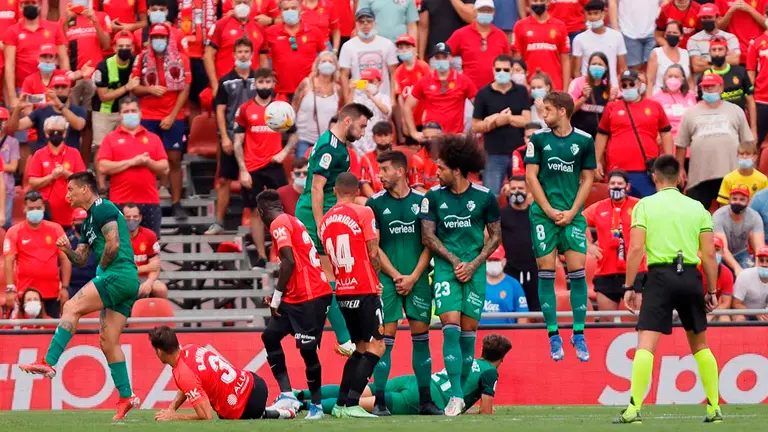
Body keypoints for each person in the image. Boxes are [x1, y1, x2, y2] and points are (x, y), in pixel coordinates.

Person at [18, 171, 141, 421]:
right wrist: (67, 250)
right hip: (126, 280)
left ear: (85, 189)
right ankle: (127, 396)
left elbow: (114, 244)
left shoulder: (103, 207)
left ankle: (49, 361)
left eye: (70, 189)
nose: (67, 195)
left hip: (118, 275)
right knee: (108, 342)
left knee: (71, 307)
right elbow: (81, 259)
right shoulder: (87, 223)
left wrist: (103, 269)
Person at [615, 155, 722, 424]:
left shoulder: (644, 205)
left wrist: (629, 286)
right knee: (700, 345)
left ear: (654, 176)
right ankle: (714, 408)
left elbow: (636, 248)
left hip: (660, 277)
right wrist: (711, 290)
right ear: (680, 178)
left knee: (646, 345)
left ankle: (633, 409)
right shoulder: (698, 207)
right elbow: (709, 254)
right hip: (690, 276)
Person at [419, 134, 501, 416]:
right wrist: (456, 262)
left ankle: (460, 392)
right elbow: (428, 236)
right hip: (446, 269)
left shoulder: (485, 197)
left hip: (475, 271)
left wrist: (473, 264)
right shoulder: (433, 197)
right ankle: (455, 395)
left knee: (468, 335)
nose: (436, 172)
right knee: (450, 326)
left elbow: (496, 236)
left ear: (456, 170)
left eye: (441, 168)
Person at [366, 150, 442, 416]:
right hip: (387, 281)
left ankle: (425, 402)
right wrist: (398, 275)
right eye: (379, 169)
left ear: (400, 171)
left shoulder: (424, 201)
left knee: (421, 338)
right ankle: (379, 401)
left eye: (385, 169)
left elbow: (430, 243)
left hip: (417, 280)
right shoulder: (374, 203)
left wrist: (413, 276)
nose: (380, 175)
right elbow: (374, 247)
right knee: (384, 340)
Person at [294, 103, 374, 357]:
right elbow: (317, 187)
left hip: (330, 213)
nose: (363, 132)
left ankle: (346, 334)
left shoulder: (339, 147)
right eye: (362, 126)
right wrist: (320, 224)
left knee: (333, 274)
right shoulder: (330, 148)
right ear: (347, 121)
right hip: (315, 215)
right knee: (327, 274)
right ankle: (345, 338)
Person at [525, 91, 595, 362]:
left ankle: (578, 333)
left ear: (562, 111)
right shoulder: (538, 139)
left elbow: (587, 179)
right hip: (544, 215)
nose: (543, 115)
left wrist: (573, 211)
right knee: (547, 270)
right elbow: (531, 177)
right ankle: (553, 335)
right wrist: (549, 210)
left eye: (547, 110)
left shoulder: (584, 141)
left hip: (572, 214)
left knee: (577, 271)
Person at [293, 333, 513, 416]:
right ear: (502, 358)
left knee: (360, 390)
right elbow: (486, 410)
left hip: (417, 381)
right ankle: (303, 406)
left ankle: (299, 394)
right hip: (426, 398)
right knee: (358, 403)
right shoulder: (490, 372)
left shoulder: (467, 360)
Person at [255, 189, 332, 420]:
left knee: (307, 351)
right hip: (297, 296)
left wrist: (277, 297)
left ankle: (316, 406)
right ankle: (288, 395)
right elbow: (294, 263)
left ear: (261, 212)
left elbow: (288, 261)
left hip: (311, 297)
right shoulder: (291, 220)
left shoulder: (278, 224)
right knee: (270, 336)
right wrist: (280, 294)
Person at [319, 172, 385, 419]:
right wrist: (376, 280)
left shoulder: (324, 221)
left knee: (359, 348)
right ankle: (352, 404)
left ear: (334, 191)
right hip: (364, 288)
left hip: (342, 291)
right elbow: (373, 252)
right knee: (377, 346)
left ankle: (341, 404)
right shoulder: (363, 212)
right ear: (357, 191)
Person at [148, 325, 297, 420]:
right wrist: (172, 408)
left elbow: (206, 417)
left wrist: (175, 416)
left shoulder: (184, 373)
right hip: (256, 384)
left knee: (224, 414)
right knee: (230, 404)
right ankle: (285, 411)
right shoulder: (190, 348)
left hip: (246, 407)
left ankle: (272, 412)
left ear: (159, 351)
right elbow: (188, 385)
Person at [233, 68, 294, 266]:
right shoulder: (245, 109)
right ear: (255, 84)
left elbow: (294, 135)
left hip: (274, 165)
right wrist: (243, 170)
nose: (264, 86)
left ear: (273, 83)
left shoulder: (281, 108)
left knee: (283, 210)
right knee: (255, 212)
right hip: (252, 167)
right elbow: (237, 142)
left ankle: (281, 253)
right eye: (261, 82)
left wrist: (284, 153)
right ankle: (261, 256)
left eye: (268, 82)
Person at [132, 23, 191, 220]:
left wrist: (172, 116)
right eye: (155, 37)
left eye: (162, 37)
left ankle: (176, 203)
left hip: (173, 116)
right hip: (148, 116)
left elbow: (185, 88)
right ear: (150, 39)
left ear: (168, 38)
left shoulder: (182, 59)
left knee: (174, 159)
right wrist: (149, 89)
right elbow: (134, 87)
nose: (159, 40)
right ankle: (144, 203)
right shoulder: (141, 58)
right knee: (146, 160)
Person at [204, 37, 258, 235]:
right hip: (231, 137)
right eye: (240, 52)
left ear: (252, 54)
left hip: (253, 140)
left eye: (246, 52)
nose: (243, 55)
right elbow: (220, 111)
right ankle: (218, 222)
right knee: (225, 180)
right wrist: (225, 137)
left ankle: (255, 221)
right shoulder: (225, 81)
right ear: (234, 55)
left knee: (254, 180)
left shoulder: (259, 80)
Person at [676, 73, 754, 210]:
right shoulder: (690, 113)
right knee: (697, 213)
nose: (709, 89)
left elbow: (747, 143)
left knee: (732, 213)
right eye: (705, 87)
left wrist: (749, 167)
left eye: (712, 86)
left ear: (721, 87)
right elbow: (681, 145)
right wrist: (680, 168)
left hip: (731, 174)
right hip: (700, 176)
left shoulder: (736, 111)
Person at [97, 96, 169, 238]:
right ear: (120, 115)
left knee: (150, 244)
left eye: (133, 111)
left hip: (149, 201)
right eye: (126, 111)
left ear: (140, 113)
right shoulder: (110, 138)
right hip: (119, 202)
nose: (130, 114)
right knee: (119, 245)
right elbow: (103, 167)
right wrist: (132, 162)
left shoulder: (153, 138)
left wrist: (148, 162)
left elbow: (165, 167)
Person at [595, 69, 673, 198]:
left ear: (640, 85)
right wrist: (597, 161)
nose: (628, 88)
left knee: (647, 206)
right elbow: (602, 134)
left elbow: (666, 133)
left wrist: (669, 161)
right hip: (617, 170)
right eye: (624, 85)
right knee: (618, 206)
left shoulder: (655, 106)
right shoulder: (612, 107)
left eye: (631, 84)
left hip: (646, 170)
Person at [583, 170, 646, 315]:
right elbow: (575, 224)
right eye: (612, 183)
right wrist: (587, 245)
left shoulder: (639, 206)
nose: (616, 186)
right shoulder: (598, 208)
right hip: (606, 272)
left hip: (636, 271)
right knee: (606, 323)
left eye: (619, 183)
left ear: (627, 186)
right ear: (608, 186)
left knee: (637, 321)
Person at [471, 54, 531, 196]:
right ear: (493, 70)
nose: (501, 72)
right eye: (498, 69)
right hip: (493, 154)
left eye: (505, 69)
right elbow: (475, 126)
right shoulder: (483, 94)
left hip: (518, 153)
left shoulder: (521, 91)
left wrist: (507, 119)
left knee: (521, 195)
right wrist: (497, 122)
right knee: (492, 196)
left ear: (511, 71)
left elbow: (527, 120)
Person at [4, 190, 69, 318]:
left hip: (52, 292)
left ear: (44, 207)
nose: (35, 211)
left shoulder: (56, 229)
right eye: (31, 208)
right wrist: (10, 289)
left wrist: (65, 287)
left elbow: (65, 259)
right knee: (23, 329)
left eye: (38, 208)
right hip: (25, 295)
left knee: (51, 328)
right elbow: (8, 261)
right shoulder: (14, 232)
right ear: (24, 208)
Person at [93, 31, 140, 191]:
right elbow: (103, 96)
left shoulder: (136, 62)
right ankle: (101, 186)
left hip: (127, 112)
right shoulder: (103, 66)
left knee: (126, 146)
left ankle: (124, 182)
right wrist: (126, 87)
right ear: (114, 47)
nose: (124, 49)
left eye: (128, 46)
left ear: (132, 47)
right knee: (101, 148)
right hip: (104, 111)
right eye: (121, 46)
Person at [3, 0, 69, 111]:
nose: (30, 6)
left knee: (52, 120)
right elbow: (9, 65)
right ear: (20, 7)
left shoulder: (54, 28)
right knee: (27, 120)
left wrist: (65, 86)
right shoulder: (12, 31)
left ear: (39, 5)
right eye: (26, 3)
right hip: (24, 91)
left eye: (33, 3)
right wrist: (12, 97)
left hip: (52, 90)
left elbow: (63, 59)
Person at [26, 115, 86, 230]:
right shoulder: (39, 154)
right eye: (51, 131)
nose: (55, 133)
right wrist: (51, 177)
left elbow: (83, 180)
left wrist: (66, 173)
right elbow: (32, 182)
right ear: (46, 133)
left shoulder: (74, 153)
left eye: (59, 131)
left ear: (65, 133)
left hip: (70, 214)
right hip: (46, 214)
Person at [404, 43, 477, 137]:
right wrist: (413, 132)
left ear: (450, 58)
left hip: (454, 136)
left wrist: (472, 132)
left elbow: (478, 105)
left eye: (444, 57)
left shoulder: (463, 80)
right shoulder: (424, 81)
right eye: (437, 57)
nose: (441, 60)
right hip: (432, 136)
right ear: (434, 59)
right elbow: (407, 107)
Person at [7, 75, 87, 153]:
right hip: (44, 158)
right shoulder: (41, 112)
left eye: (63, 87)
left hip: (69, 157)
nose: (60, 90)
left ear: (70, 92)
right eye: (56, 87)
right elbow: (15, 127)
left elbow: (79, 126)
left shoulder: (78, 110)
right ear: (51, 90)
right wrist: (18, 108)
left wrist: (59, 105)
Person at [264, 0, 326, 99]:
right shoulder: (270, 32)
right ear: (280, 11)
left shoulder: (314, 31)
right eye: (286, 9)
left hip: (308, 90)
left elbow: (324, 56)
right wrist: (268, 74)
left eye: (293, 8)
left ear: (300, 9)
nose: (290, 11)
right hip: (281, 92)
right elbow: (263, 56)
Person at [446, 0, 511, 90]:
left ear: (494, 12)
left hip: (496, 91)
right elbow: (444, 55)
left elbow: (508, 62)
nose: (485, 13)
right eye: (482, 10)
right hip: (469, 91)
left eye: (489, 10)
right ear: (475, 12)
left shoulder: (501, 36)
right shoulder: (461, 34)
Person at [338, 8, 398, 105]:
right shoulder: (347, 46)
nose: (365, 24)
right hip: (358, 99)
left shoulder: (387, 44)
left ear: (374, 23)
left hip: (382, 97)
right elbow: (344, 75)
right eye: (361, 22)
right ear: (356, 24)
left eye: (369, 21)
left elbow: (394, 72)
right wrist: (347, 100)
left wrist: (392, 98)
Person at [203, 0, 268, 89]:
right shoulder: (220, 25)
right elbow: (208, 56)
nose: (242, 5)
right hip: (225, 86)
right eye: (239, 2)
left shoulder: (259, 28)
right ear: (233, 3)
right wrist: (215, 86)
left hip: (251, 87)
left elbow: (263, 61)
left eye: (246, 3)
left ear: (252, 3)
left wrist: (264, 85)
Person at [697, 37, 755, 135]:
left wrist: (753, 130)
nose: (717, 53)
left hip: (739, 124)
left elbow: (750, 101)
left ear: (726, 51)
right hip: (715, 127)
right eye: (714, 50)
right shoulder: (704, 76)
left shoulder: (740, 71)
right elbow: (700, 105)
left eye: (720, 49)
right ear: (709, 52)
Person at [292, 51, 343, 159]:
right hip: (303, 139)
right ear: (317, 64)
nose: (327, 64)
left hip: (326, 142)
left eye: (331, 62)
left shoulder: (337, 89)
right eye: (324, 61)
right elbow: (294, 107)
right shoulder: (306, 84)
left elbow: (339, 115)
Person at [499, 175, 540, 311]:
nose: (517, 191)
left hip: (534, 271)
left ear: (528, 190)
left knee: (537, 311)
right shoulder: (501, 214)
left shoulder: (536, 214)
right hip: (510, 271)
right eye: (513, 188)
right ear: (508, 191)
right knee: (510, 309)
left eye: (521, 188)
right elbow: (489, 239)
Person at [512, 0, 570, 91]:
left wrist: (565, 89)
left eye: (542, 0)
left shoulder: (560, 26)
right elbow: (517, 60)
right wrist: (524, 84)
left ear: (548, 2)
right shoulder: (520, 26)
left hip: (555, 86)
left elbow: (565, 60)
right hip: (530, 86)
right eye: (535, 1)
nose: (538, 3)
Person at [572, 0, 627, 87]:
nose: (592, 17)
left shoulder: (617, 36)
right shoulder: (579, 39)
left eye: (596, 13)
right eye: (589, 14)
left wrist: (621, 88)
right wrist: (582, 88)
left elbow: (623, 68)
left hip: (611, 87)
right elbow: (576, 71)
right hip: (588, 88)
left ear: (603, 14)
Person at [713, 184, 764, 275]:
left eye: (742, 199)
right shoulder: (718, 216)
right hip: (721, 254)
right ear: (729, 200)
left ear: (748, 201)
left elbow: (760, 247)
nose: (738, 202)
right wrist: (737, 268)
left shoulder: (755, 217)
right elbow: (722, 248)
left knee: (750, 274)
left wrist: (757, 269)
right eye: (734, 199)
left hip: (741, 253)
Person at [568, 52, 618, 138]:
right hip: (577, 135)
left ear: (606, 68)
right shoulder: (578, 83)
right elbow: (568, 111)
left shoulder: (608, 87)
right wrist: (583, 98)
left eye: (600, 64)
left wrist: (611, 101)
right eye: (594, 64)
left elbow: (610, 117)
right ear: (588, 66)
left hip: (598, 137)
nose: (596, 66)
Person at [124, 203, 168, 299]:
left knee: (160, 289)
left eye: (135, 216)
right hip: (123, 279)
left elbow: (155, 266)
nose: (131, 219)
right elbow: (123, 270)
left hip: (145, 279)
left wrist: (149, 282)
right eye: (128, 217)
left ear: (140, 218)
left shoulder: (149, 235)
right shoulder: (117, 237)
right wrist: (147, 267)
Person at [392, 34, 430, 145]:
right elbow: (400, 98)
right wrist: (404, 121)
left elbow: (430, 93)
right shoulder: (398, 72)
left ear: (414, 49)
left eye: (407, 47)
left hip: (425, 118)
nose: (404, 50)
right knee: (412, 149)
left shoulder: (423, 67)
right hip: (410, 119)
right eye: (401, 48)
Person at [480, 246, 529, 326]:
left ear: (504, 261)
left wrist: (520, 333)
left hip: (506, 333)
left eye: (496, 260)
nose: (493, 263)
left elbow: (523, 315)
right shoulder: (477, 283)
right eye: (490, 260)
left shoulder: (514, 284)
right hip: (480, 332)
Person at [688, 4, 741, 77]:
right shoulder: (694, 39)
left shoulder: (730, 38)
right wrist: (721, 61)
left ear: (718, 18)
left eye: (710, 17)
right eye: (704, 17)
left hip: (727, 80)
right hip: (704, 80)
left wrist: (706, 61)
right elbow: (696, 67)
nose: (707, 20)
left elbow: (735, 60)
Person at [651, 64, 697, 143]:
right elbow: (653, 121)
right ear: (665, 78)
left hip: (689, 138)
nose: (673, 79)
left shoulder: (690, 95)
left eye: (676, 77)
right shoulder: (656, 98)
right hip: (667, 140)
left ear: (682, 79)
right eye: (670, 76)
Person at [608, 0, 658, 71]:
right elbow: (613, 2)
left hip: (654, 31)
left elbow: (666, 2)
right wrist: (615, 29)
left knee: (654, 69)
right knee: (634, 71)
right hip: (628, 30)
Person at [351, 68, 391, 155]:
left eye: (371, 81)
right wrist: (351, 91)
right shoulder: (358, 99)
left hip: (379, 141)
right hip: (361, 144)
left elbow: (386, 111)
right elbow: (348, 112)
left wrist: (371, 96)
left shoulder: (384, 97)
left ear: (379, 82)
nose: (368, 84)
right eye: (365, 82)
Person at [646, 20, 693, 97]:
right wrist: (649, 101)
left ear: (681, 36)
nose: (672, 35)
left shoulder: (685, 53)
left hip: (681, 98)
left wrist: (692, 97)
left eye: (675, 33)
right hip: (659, 97)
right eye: (669, 33)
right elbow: (650, 81)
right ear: (665, 35)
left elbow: (689, 80)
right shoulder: (656, 53)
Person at [717, 142, 768, 206]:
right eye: (741, 154)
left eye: (748, 154)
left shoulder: (763, 179)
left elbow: (765, 203)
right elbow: (723, 204)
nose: (744, 157)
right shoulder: (728, 178)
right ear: (737, 156)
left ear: (755, 157)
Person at [717, 0, 767, 65]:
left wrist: (750, 9)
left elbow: (766, 25)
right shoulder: (721, 1)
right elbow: (719, 29)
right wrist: (730, 11)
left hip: (758, 52)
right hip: (734, 54)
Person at [701, 236, 734, 322]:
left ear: (722, 252)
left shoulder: (727, 273)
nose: (713, 253)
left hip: (713, 309)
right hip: (693, 308)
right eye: (711, 249)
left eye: (717, 250)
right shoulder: (695, 268)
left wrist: (712, 313)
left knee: (725, 318)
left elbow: (726, 303)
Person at [731, 246, 768, 321]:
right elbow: (735, 303)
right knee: (739, 318)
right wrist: (756, 313)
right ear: (757, 261)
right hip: (744, 313)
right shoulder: (745, 275)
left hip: (764, 314)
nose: (764, 264)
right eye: (761, 260)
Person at [67, 208, 97, 298]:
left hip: (93, 284)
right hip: (71, 286)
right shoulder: (66, 240)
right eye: (80, 220)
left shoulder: (98, 240)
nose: (84, 223)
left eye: (86, 220)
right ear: (73, 225)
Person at [747, 20, 768, 147]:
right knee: (757, 142)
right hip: (761, 100)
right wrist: (751, 99)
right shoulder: (756, 43)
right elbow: (751, 74)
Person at [360, 121, 393, 194]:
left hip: (395, 197)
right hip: (374, 197)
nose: (383, 139)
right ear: (373, 137)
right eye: (379, 135)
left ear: (391, 137)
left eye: (386, 135)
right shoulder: (366, 158)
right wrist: (375, 199)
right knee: (360, 199)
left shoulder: (398, 157)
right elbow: (364, 184)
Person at [0, 108, 19, 229]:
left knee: (5, 223)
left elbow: (13, 167)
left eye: (2, 120)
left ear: (7, 122)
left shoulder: (13, 142)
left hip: (7, 187)